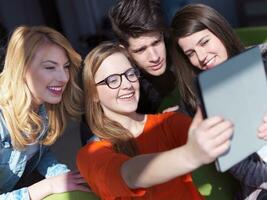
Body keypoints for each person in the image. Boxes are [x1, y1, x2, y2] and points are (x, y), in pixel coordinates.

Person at [76, 41, 235, 199]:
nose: (127, 85)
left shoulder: (168, 122)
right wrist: (190, 155)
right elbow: (131, 174)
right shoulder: (91, 154)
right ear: (93, 94)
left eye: (130, 74)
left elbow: (226, 135)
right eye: (112, 80)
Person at [171, 4, 267, 199]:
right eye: (190, 53)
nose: (201, 57)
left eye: (204, 42)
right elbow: (245, 171)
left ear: (220, 31)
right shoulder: (200, 104)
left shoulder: (260, 63)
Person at [0, 25, 89, 200]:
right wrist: (47, 186)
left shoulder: (41, 106)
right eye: (50, 67)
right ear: (22, 69)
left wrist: (61, 176)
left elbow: (38, 154)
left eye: (65, 67)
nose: (64, 78)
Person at [80, 0, 179, 145]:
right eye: (140, 50)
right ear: (124, 50)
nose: (155, 57)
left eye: (157, 42)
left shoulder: (182, 53)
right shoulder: (123, 85)